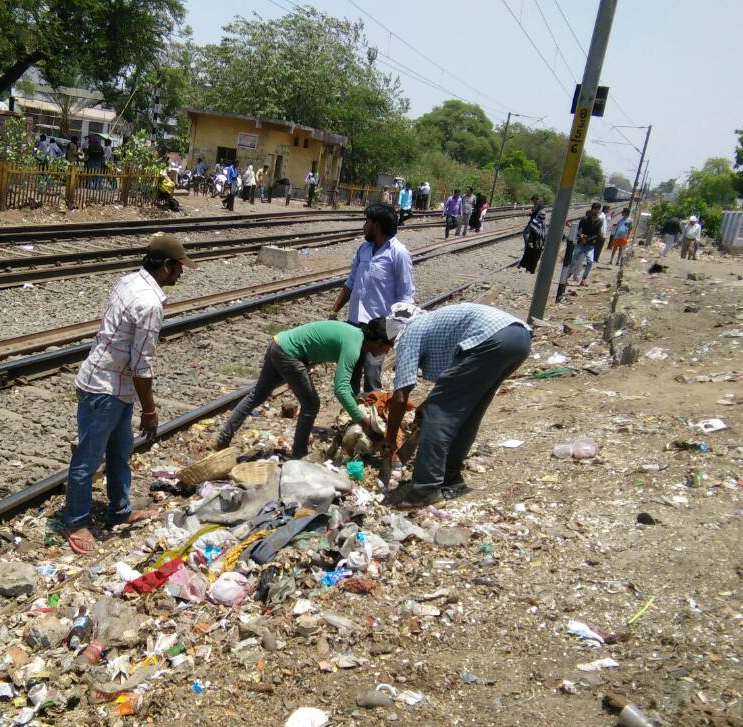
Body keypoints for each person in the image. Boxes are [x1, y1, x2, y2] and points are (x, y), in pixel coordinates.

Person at [58, 236, 196, 553]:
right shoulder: (149, 305)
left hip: (115, 386)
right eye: (179, 267)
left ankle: (119, 511)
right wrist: (150, 410)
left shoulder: (129, 280)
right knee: (87, 460)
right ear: (165, 266)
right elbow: (141, 366)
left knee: (120, 453)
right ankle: (75, 523)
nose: (181, 274)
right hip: (104, 389)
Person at [382, 303, 533, 508]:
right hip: (518, 337)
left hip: (491, 339)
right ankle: (451, 478)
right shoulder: (432, 323)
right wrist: (428, 403)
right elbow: (456, 380)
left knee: (437, 414)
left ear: (395, 335)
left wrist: (390, 439)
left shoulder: (409, 334)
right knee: (469, 411)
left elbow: (400, 396)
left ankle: (425, 489)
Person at [216, 318, 399, 458]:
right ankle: (298, 454)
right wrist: (364, 421)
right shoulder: (353, 346)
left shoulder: (356, 338)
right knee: (311, 404)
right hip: (289, 354)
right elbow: (340, 389)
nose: (387, 352)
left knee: (257, 395)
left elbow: (346, 384)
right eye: (388, 347)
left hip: (278, 343)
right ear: (378, 342)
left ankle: (222, 439)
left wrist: (358, 405)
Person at [329, 203, 416, 395]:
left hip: (379, 329)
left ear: (377, 226)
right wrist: (334, 311)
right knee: (349, 373)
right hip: (354, 324)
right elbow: (350, 283)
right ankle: (351, 416)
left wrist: (392, 332)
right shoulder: (363, 249)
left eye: (367, 221)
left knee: (371, 375)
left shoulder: (398, 253)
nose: (364, 226)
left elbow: (406, 297)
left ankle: (371, 416)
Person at [571, 202, 605, 284]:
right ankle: (566, 278)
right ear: (592, 209)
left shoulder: (599, 221)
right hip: (580, 243)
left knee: (590, 262)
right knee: (573, 261)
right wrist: (581, 236)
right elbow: (577, 230)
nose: (596, 211)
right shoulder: (584, 219)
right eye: (594, 209)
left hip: (590, 245)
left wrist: (588, 239)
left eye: (597, 210)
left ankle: (584, 279)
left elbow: (597, 234)